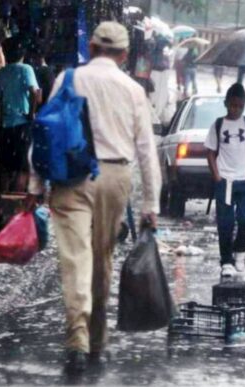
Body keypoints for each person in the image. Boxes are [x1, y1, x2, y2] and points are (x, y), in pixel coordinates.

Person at [26, 21, 161, 373]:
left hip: (71, 176)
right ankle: (97, 339)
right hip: (115, 177)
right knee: (102, 260)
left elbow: (45, 132)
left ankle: (78, 339)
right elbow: (147, 150)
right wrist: (151, 205)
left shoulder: (68, 79)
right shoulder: (132, 89)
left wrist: (35, 186)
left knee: (75, 258)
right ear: (125, 54)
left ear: (93, 48)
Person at [205, 83, 245, 277]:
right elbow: (210, 153)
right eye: (232, 105)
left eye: (240, 106)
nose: (236, 109)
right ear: (226, 103)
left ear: (244, 105)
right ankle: (226, 260)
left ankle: (240, 250)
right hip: (225, 180)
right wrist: (217, 177)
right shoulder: (218, 125)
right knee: (225, 222)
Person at [0, 36, 39, 191]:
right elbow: (34, 92)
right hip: (22, 125)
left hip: (5, 127)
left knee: (6, 167)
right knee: (22, 168)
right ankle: (15, 203)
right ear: (22, 54)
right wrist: (32, 113)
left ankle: (2, 201)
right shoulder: (26, 69)